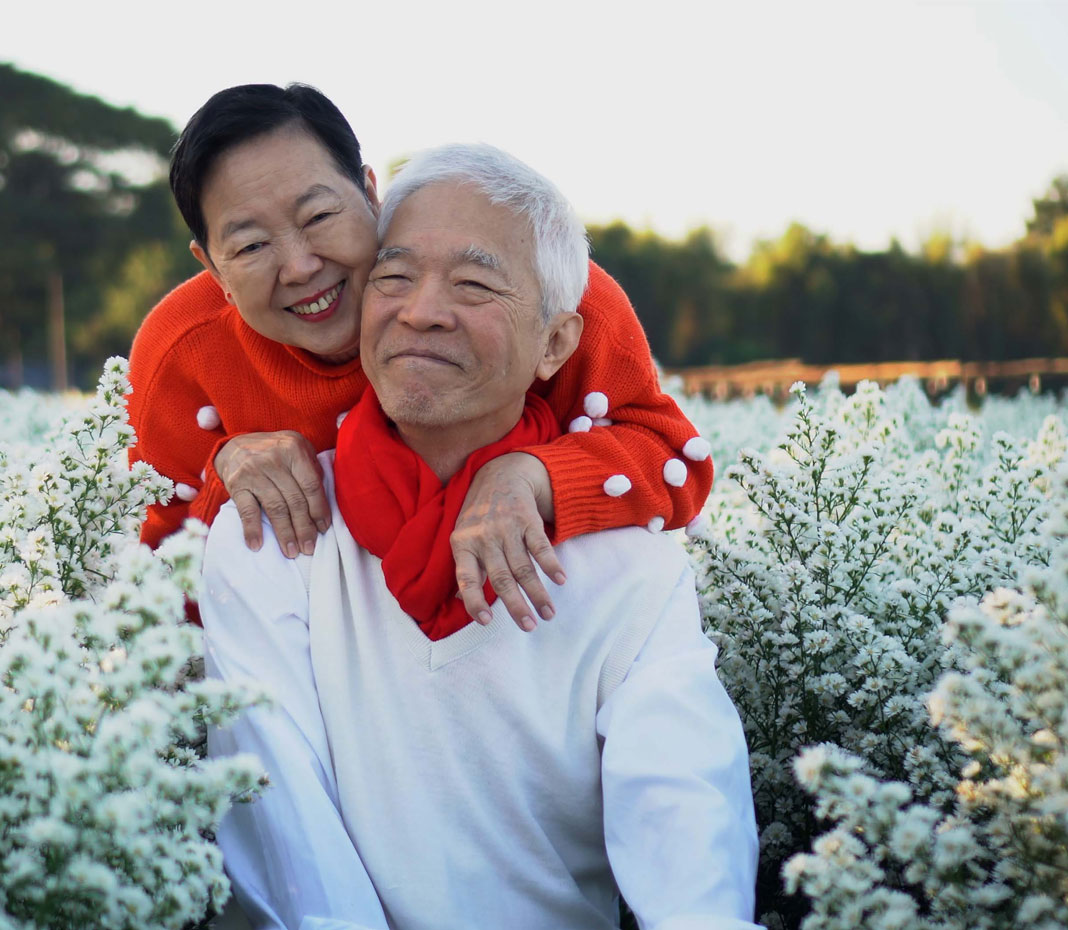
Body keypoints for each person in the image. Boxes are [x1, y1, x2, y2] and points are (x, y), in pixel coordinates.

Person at [201, 144, 759, 930]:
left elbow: (682, 803)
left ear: (557, 344)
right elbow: (280, 819)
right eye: (392, 277)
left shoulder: (629, 561)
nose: (422, 310)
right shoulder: (275, 532)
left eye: (474, 284)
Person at [127, 83, 715, 629]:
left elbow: (675, 461)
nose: (301, 266)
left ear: (369, 192)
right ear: (212, 267)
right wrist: (225, 474)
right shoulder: (183, 349)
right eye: (251, 245)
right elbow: (153, 582)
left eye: (320, 217)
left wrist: (531, 475)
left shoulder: (538, 291)